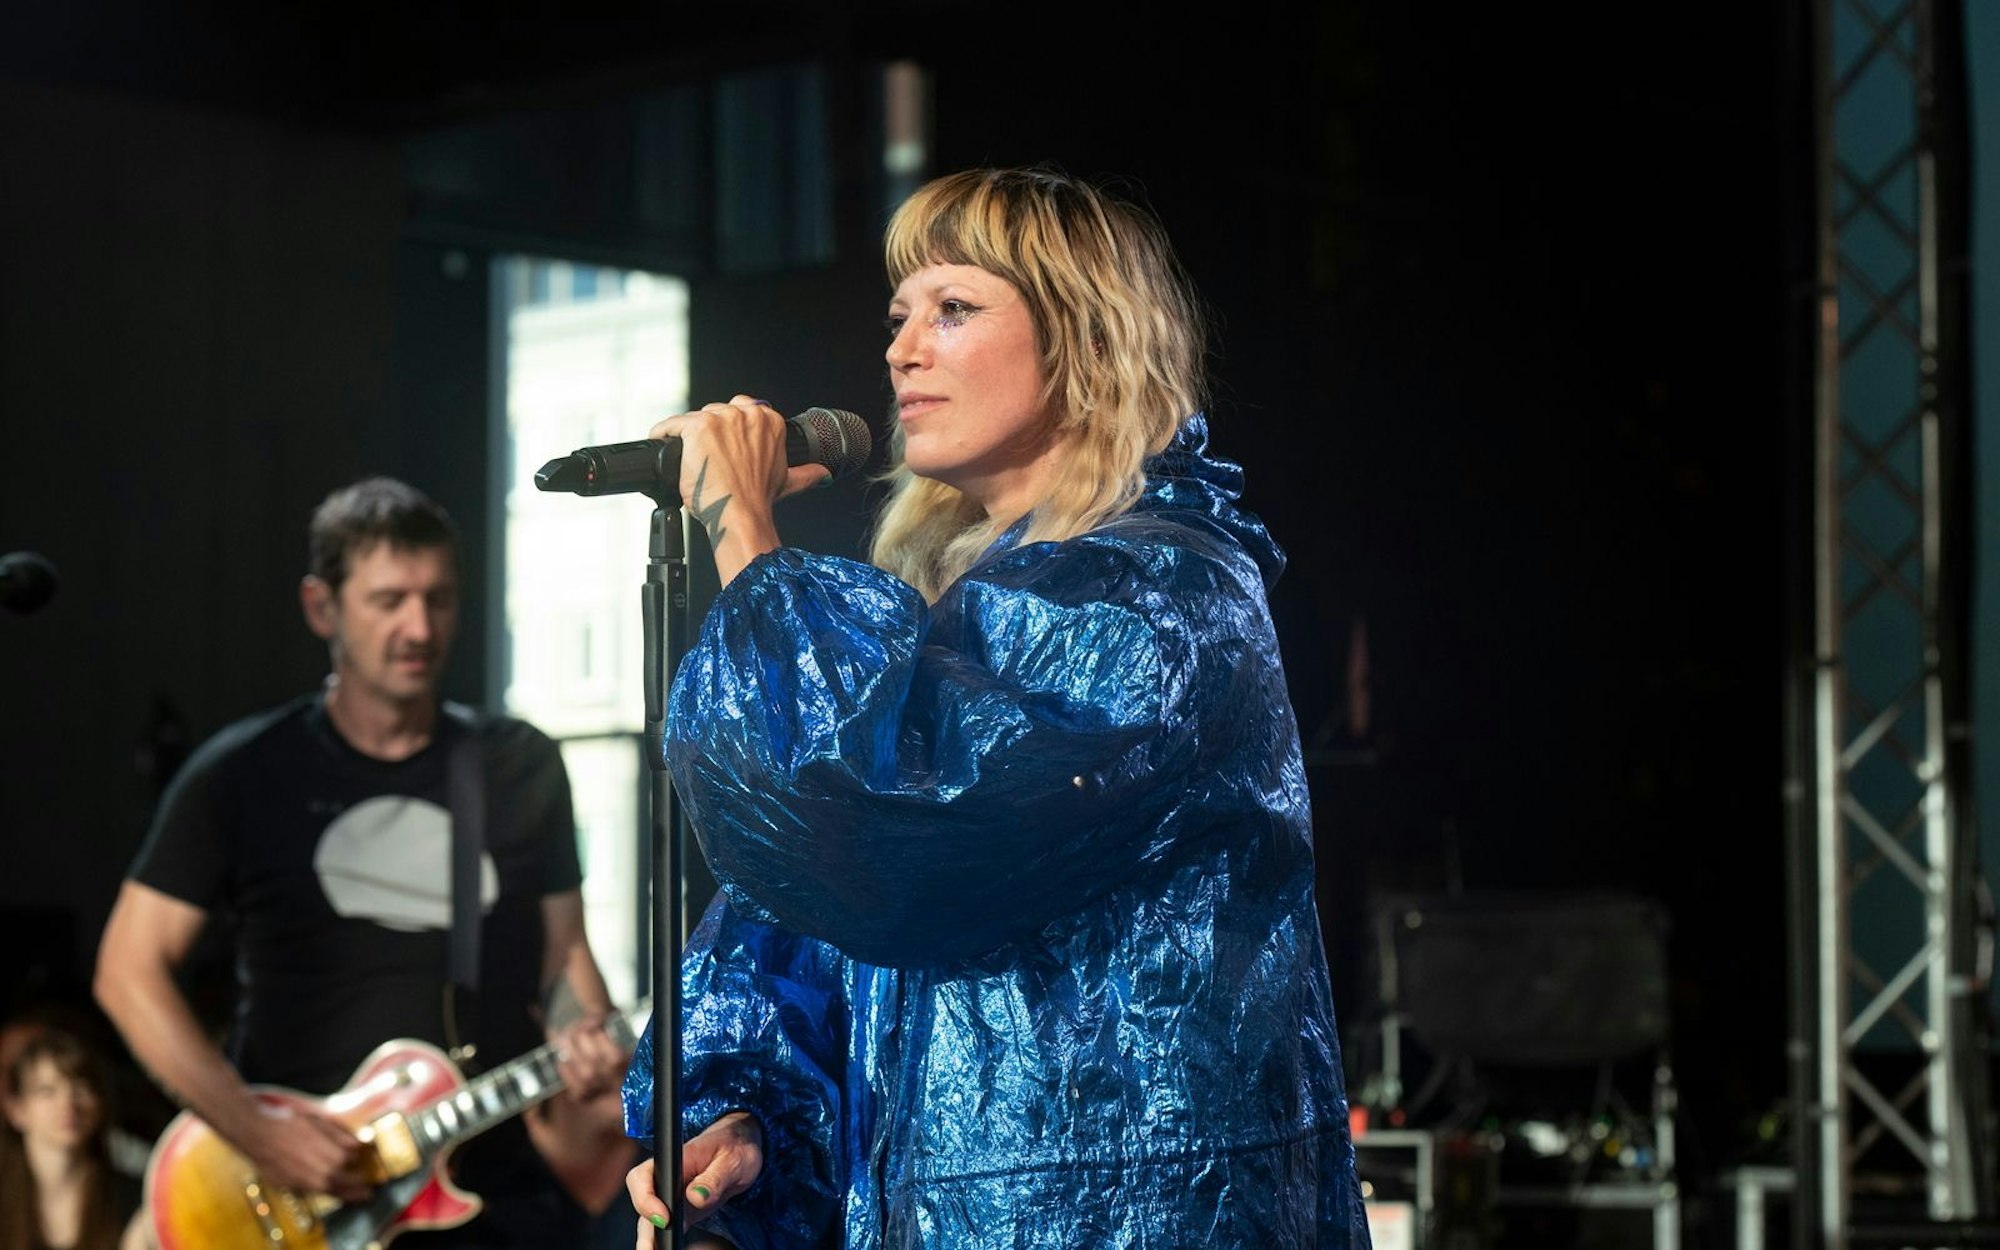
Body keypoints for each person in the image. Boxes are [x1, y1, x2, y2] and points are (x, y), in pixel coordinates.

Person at [620, 166, 1372, 1248]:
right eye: (898, 315)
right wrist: (743, 1112)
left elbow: (873, 827)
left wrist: (744, 532)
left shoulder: (1159, 598)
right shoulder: (955, 622)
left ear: (1082, 340)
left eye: (953, 308)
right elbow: (800, 911)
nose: (900, 348)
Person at [93, 476, 637, 1248]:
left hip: (488, 1188)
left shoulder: (516, 765)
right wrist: (255, 1129)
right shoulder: (243, 773)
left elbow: (563, 959)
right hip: (298, 1198)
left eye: (439, 598)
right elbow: (126, 970)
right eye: (389, 601)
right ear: (323, 608)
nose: (419, 626)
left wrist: (585, 1036)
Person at [0, 1025, 148, 1250]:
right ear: (17, 1109)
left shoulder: (134, 1200)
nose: (67, 1104)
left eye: (80, 1087)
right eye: (47, 1091)